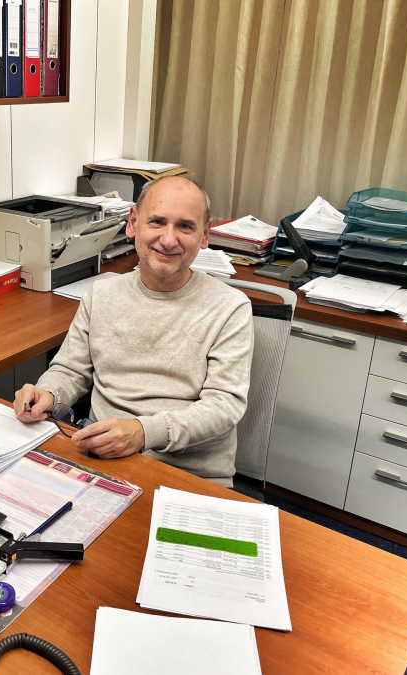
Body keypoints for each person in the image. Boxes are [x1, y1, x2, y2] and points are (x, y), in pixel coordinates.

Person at [13, 176, 254, 487]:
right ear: (133, 223)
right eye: (157, 222)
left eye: (185, 226)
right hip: (100, 458)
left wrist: (143, 433)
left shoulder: (231, 307)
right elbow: (70, 370)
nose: (168, 240)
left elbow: (224, 406)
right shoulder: (101, 295)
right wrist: (48, 393)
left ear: (205, 235)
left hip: (190, 474)